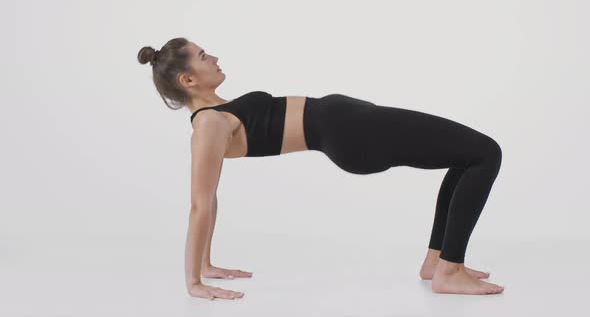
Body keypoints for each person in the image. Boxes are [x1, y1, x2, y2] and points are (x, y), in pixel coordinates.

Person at [137, 37, 505, 300]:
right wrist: (194, 281)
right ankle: (449, 271)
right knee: (485, 152)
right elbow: (201, 204)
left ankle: (437, 262)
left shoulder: (218, 113)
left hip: (354, 125)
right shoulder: (209, 125)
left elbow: (209, 201)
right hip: (356, 134)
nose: (214, 57)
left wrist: (207, 264)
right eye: (203, 56)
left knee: (467, 156)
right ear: (188, 80)